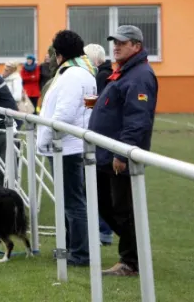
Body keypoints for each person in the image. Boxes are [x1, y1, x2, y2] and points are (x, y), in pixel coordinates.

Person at [89, 25, 159, 277]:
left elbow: (138, 119)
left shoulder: (139, 75)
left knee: (122, 208)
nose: (115, 46)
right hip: (107, 154)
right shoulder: (125, 72)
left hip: (120, 156)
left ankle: (131, 261)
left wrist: (123, 153)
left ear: (136, 46)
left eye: (122, 42)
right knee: (107, 205)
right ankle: (134, 249)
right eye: (114, 42)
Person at [36, 30, 97, 267]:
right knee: (71, 201)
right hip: (72, 145)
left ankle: (79, 252)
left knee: (73, 202)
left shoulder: (72, 75)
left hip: (67, 147)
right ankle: (73, 246)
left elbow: (64, 113)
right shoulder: (86, 73)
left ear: (59, 54)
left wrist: (45, 139)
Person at [84, 43, 114, 246]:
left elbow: (94, 104)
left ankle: (103, 231)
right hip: (106, 137)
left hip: (101, 138)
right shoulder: (108, 74)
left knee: (98, 187)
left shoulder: (101, 77)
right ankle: (104, 230)